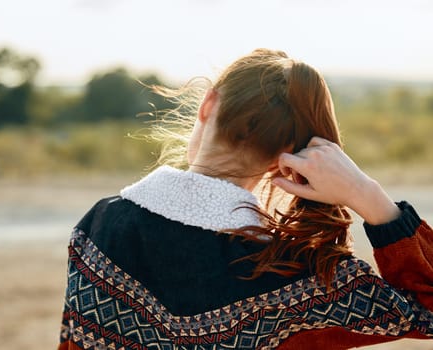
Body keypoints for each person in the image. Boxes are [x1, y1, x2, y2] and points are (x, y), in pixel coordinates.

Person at [57, 49, 433, 349]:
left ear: (207, 105)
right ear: (288, 154)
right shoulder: (298, 281)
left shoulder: (98, 230)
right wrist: (368, 197)